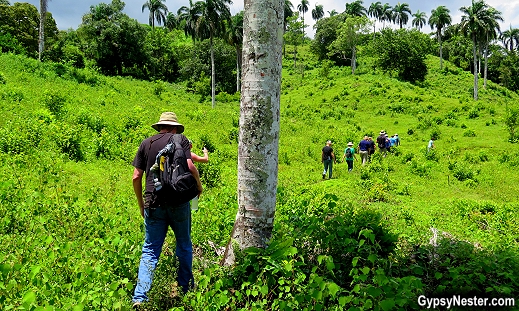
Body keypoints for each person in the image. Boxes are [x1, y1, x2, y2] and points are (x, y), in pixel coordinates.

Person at [131, 112, 203, 308]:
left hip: (153, 202)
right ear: (175, 128)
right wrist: (198, 186)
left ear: (160, 127)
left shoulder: (146, 143)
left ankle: (140, 298)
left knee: (150, 250)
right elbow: (189, 165)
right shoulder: (181, 140)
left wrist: (141, 203)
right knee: (184, 245)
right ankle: (184, 290)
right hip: (179, 201)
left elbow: (136, 176)